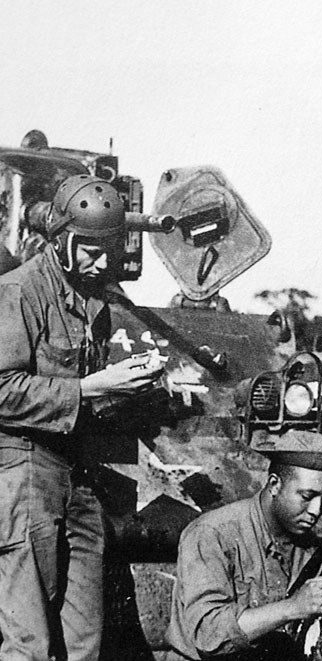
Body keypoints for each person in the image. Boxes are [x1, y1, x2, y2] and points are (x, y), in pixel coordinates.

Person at [0, 174, 165, 660]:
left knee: (86, 637)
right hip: (26, 470)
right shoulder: (19, 292)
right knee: (28, 639)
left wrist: (128, 384)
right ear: (61, 238)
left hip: (79, 472)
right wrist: (91, 387)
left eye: (110, 249)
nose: (101, 261)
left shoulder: (94, 298)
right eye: (90, 249)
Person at [166, 430, 322, 660]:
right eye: (307, 496)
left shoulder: (309, 547)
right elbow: (209, 634)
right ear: (274, 485)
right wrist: (293, 607)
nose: (316, 511)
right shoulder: (212, 534)